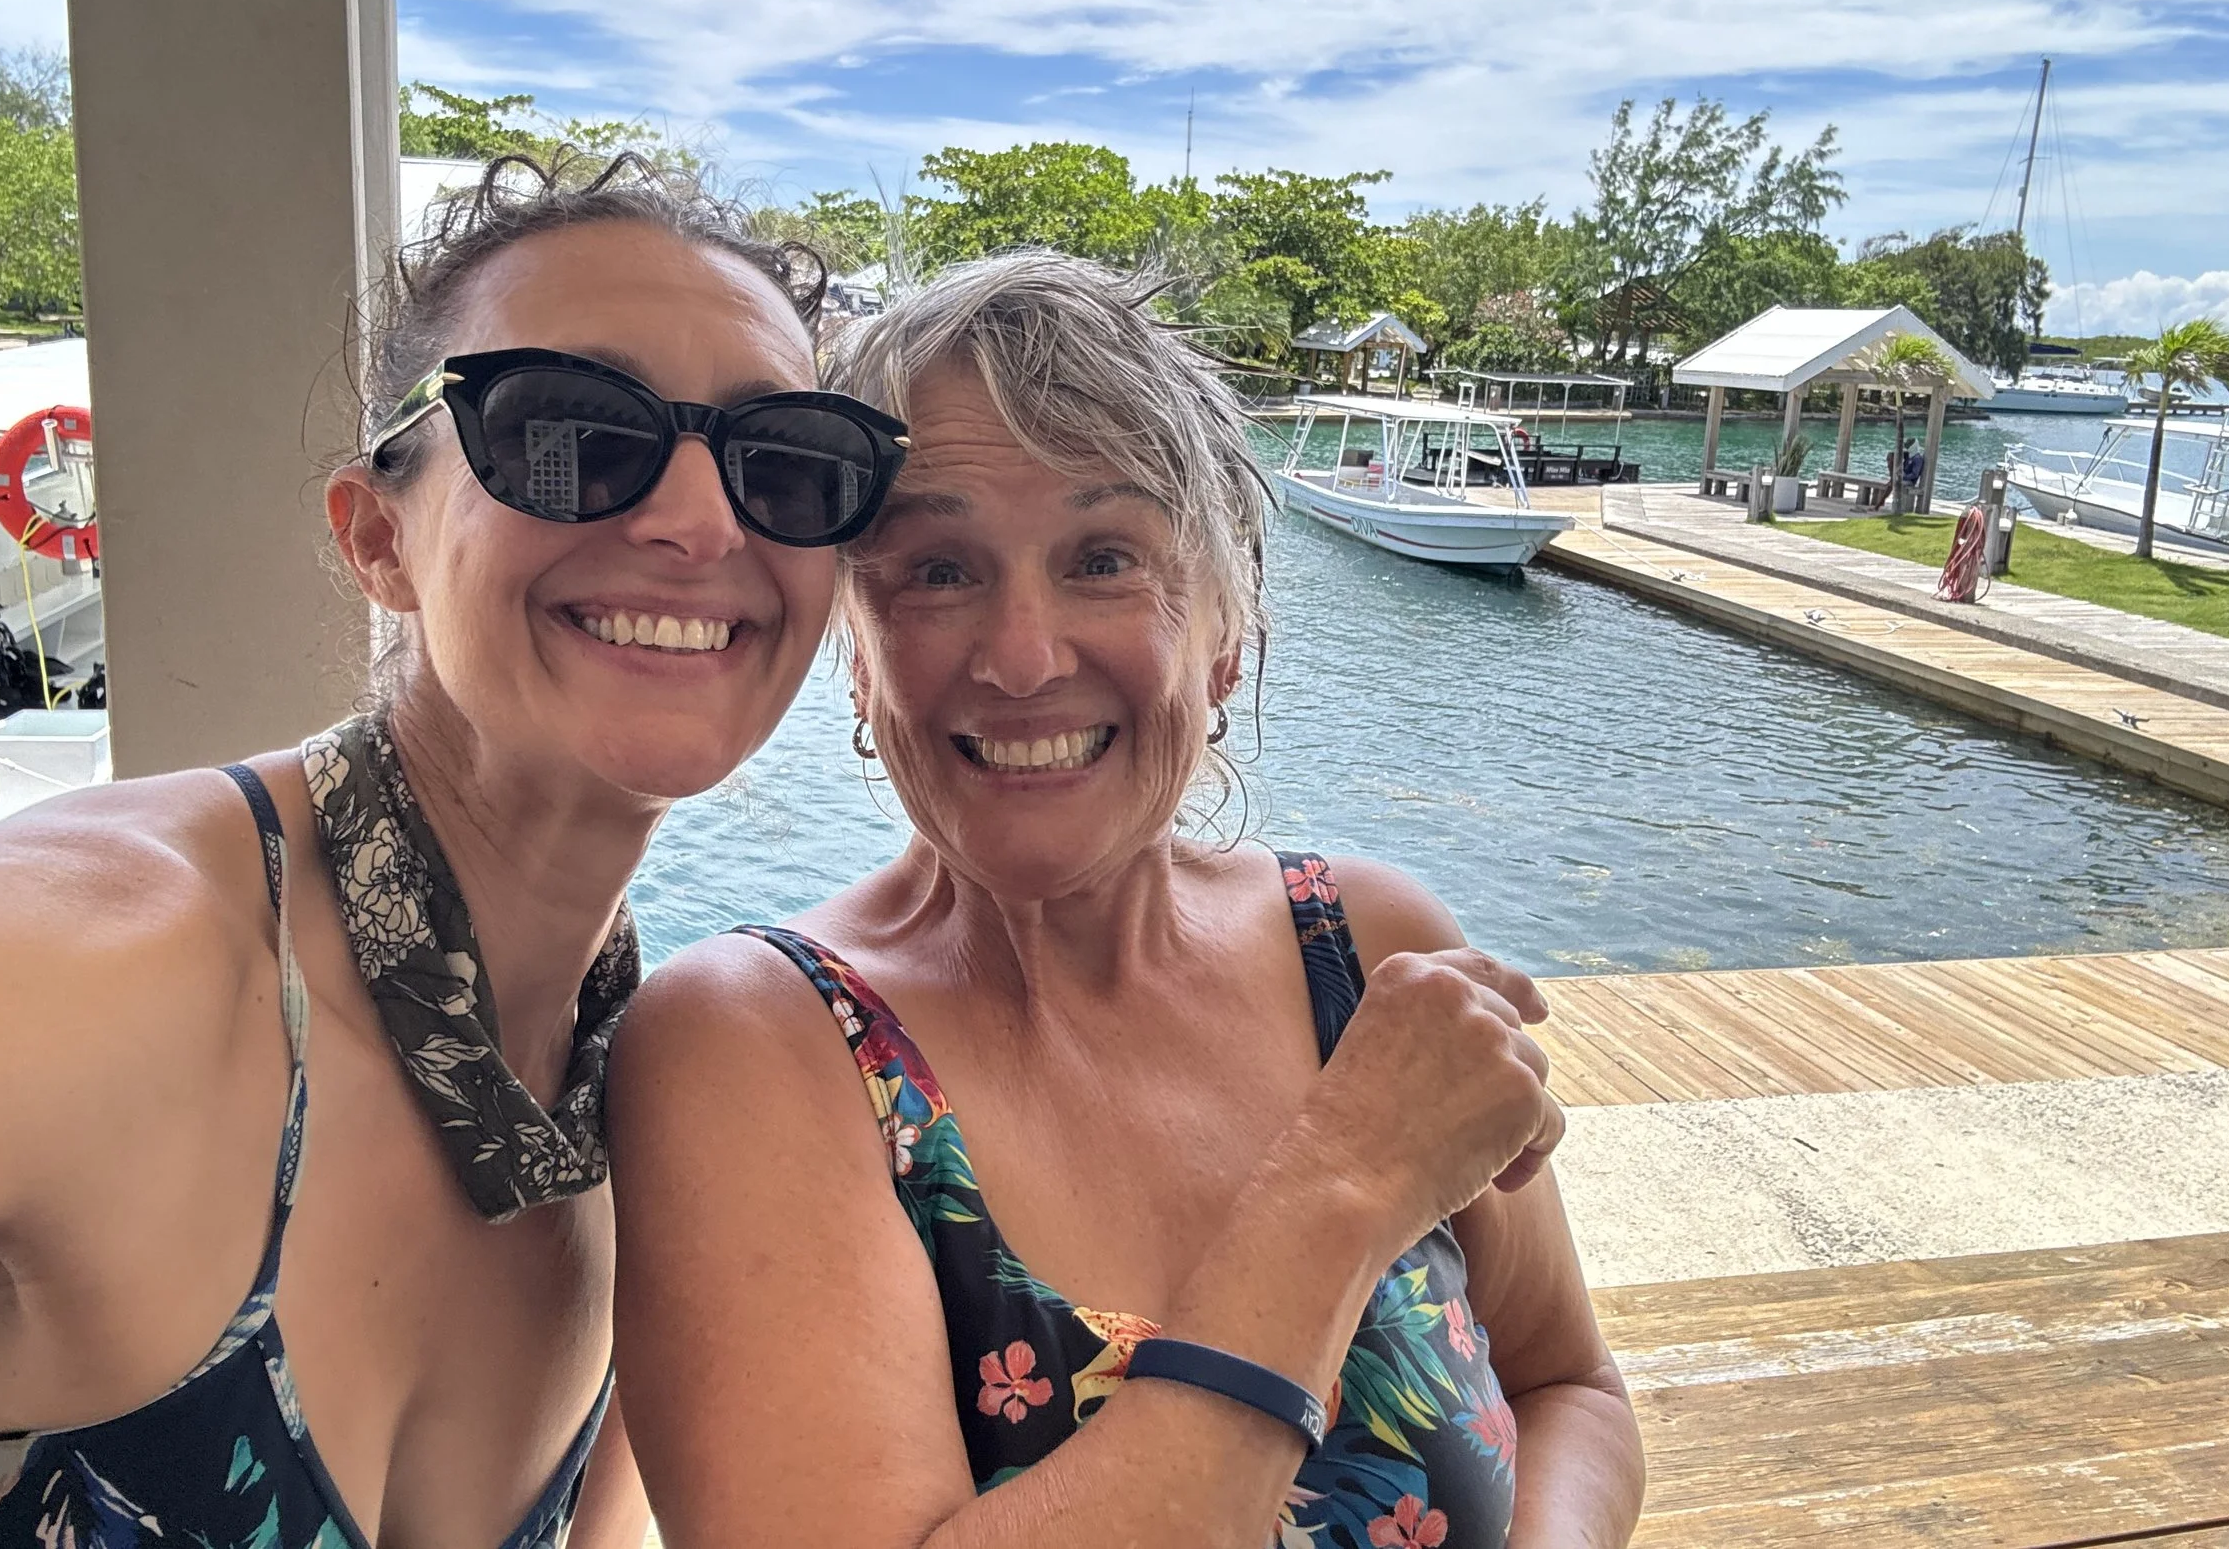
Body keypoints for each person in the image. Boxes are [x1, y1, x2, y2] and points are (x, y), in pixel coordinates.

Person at [0, 155, 907, 1549]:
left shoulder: (638, 1098)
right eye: (569, 433)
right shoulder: (84, 966)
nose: (701, 519)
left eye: (786, 463)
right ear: (377, 536)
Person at [611, 252, 1643, 1548]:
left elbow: (1568, 1386)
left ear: (1227, 634)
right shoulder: (757, 1047)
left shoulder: (1374, 952)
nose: (1025, 654)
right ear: (856, 656)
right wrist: (1340, 1187)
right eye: (937, 569)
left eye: (1105, 557)